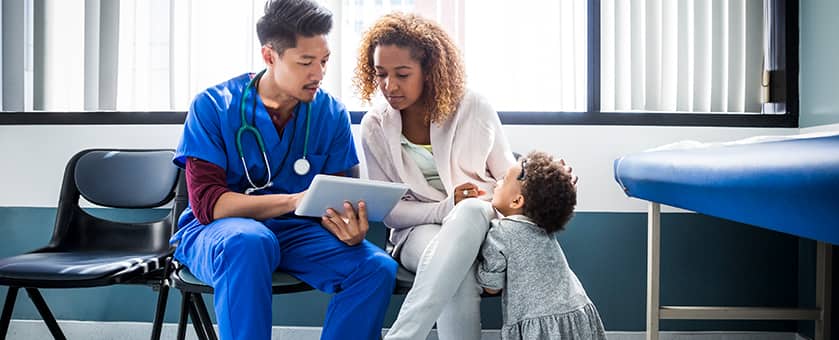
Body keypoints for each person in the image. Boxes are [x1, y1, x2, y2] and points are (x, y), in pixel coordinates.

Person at [171, 1, 396, 339]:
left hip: (297, 233)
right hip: (218, 233)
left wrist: (348, 226)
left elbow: (336, 198)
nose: (318, 73)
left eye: (323, 61)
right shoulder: (213, 106)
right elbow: (208, 205)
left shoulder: (330, 113)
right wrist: (292, 201)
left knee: (375, 267)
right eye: (305, 62)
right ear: (269, 56)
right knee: (250, 241)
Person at [355, 12, 516, 340]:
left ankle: (402, 335)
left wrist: (544, 182)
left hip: (481, 221)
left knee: (470, 210)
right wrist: (446, 207)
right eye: (380, 74)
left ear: (428, 71)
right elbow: (390, 212)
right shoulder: (374, 125)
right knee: (455, 272)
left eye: (402, 74)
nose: (389, 86)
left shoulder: (474, 107)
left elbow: (507, 177)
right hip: (416, 232)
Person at [477, 151, 607, 340]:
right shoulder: (544, 227)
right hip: (577, 309)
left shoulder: (501, 232)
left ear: (516, 201)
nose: (496, 184)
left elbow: (491, 287)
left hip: (540, 322)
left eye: (503, 180)